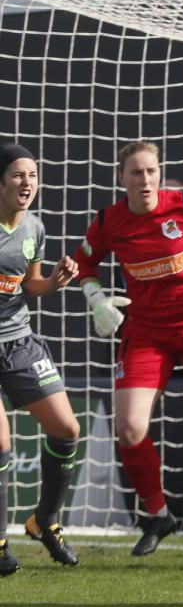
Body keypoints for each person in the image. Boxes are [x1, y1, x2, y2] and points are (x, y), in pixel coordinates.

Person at [74, 141, 183, 558]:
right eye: (136, 172)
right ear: (121, 179)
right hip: (147, 332)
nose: (145, 180)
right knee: (130, 428)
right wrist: (96, 298)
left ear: (160, 173)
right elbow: (84, 263)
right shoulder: (109, 221)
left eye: (151, 171)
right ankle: (157, 515)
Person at [0, 144, 81, 573]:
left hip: (19, 342)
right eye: (17, 175)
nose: (27, 182)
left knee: (67, 429)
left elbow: (27, 284)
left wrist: (52, 282)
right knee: (1, 442)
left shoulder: (34, 228)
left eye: (32, 175)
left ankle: (44, 521)